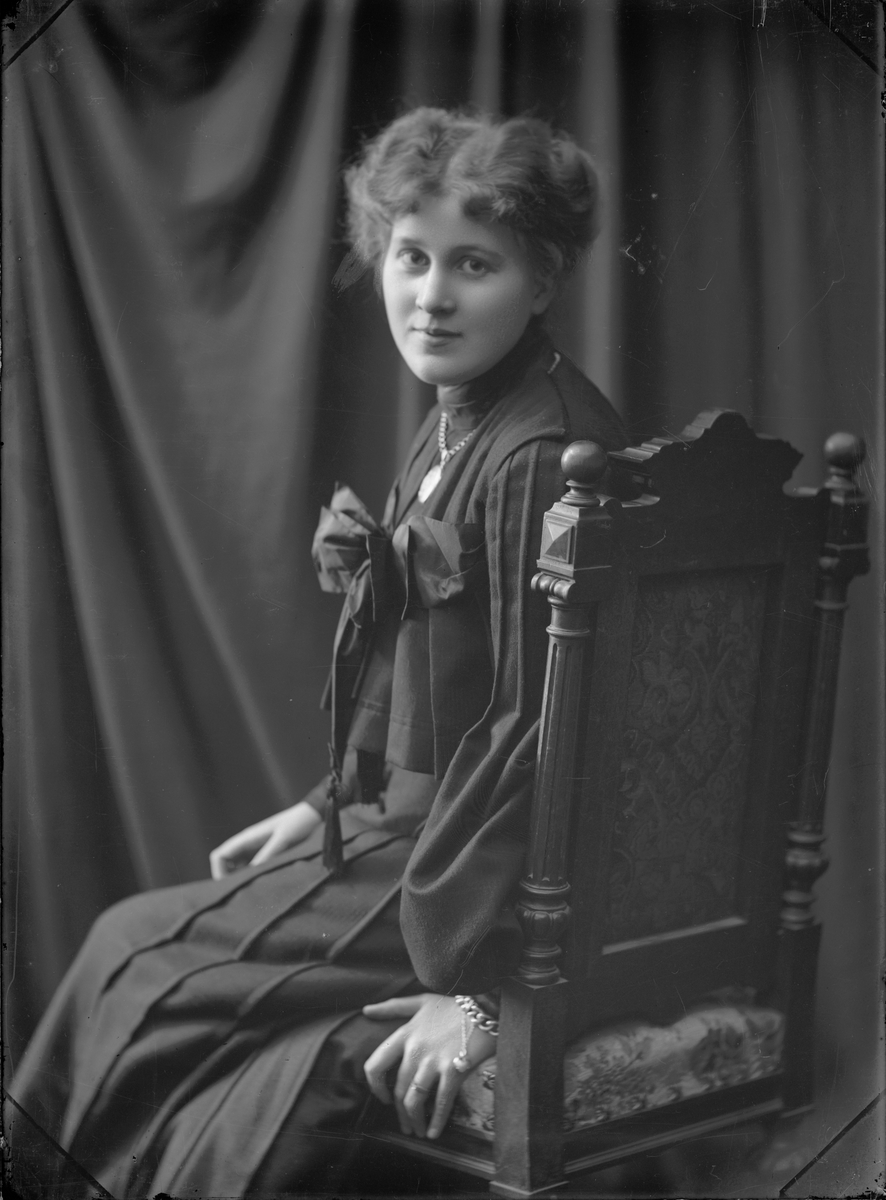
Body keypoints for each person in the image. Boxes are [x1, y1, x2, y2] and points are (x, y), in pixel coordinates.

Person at [7, 107, 626, 1196]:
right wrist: (327, 799)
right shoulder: (460, 417)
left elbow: (545, 736)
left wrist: (485, 994)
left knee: (134, 963)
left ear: (540, 281)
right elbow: (421, 677)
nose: (431, 297)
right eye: (411, 257)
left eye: (473, 265)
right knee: (141, 968)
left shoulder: (540, 452)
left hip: (454, 877)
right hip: (407, 832)